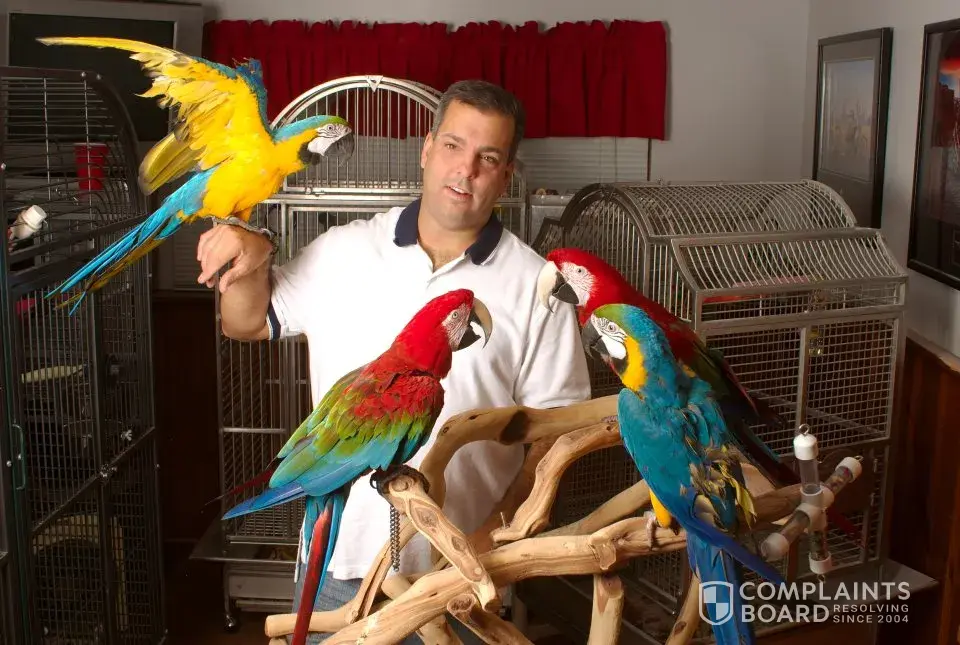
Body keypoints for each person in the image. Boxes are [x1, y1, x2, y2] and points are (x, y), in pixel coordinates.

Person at [197, 79, 592, 642]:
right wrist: (249, 250)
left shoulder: (536, 285)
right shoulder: (344, 249)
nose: (466, 170)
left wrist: (490, 540)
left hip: (460, 578)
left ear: (506, 175)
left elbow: (557, 436)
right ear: (426, 150)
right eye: (453, 145)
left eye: (488, 158)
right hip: (337, 565)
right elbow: (245, 322)